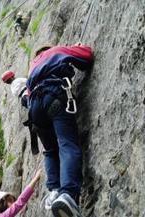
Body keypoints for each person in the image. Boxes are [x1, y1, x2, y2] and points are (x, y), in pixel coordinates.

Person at [26, 44, 94, 217]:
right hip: (53, 95)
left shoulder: (32, 68)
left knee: (50, 151)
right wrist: (76, 47)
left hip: (34, 108)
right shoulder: (55, 51)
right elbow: (86, 56)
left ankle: (54, 190)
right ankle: (68, 194)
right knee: (67, 143)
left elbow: (27, 95)